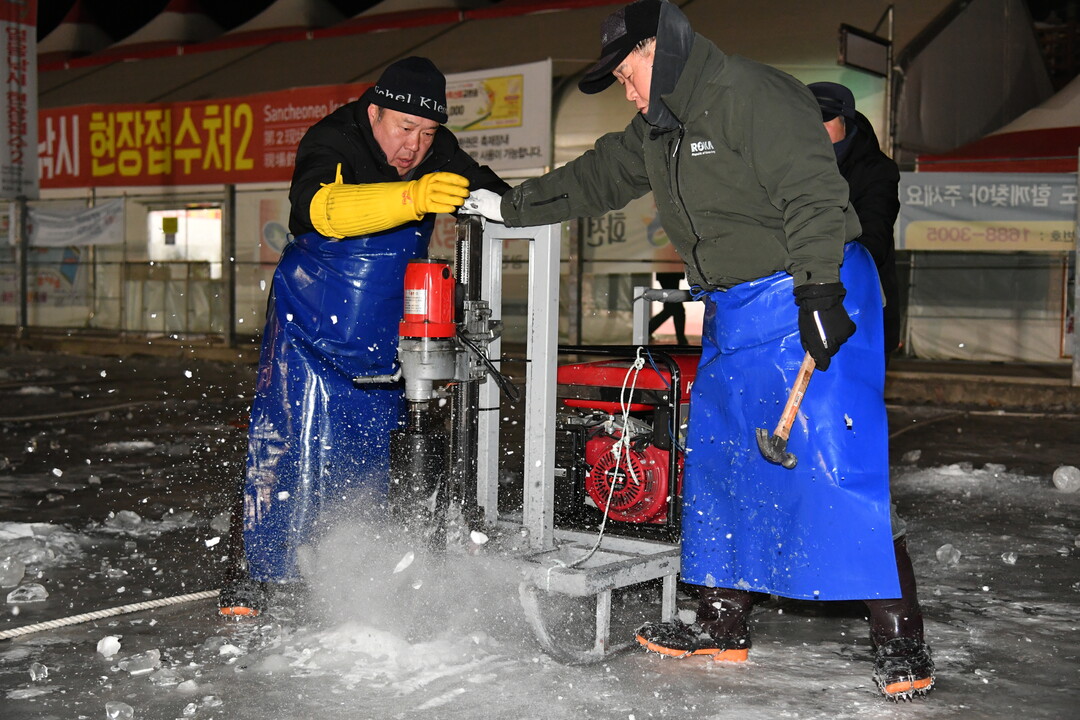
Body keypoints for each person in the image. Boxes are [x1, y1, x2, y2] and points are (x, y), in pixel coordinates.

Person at [465, 0, 933, 700]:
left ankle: (902, 640)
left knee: (834, 464)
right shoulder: (658, 127)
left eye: (627, 73)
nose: (625, 91)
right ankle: (721, 624)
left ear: (661, 49)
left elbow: (811, 191)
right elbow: (594, 177)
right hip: (737, 308)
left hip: (814, 289)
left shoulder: (752, 94)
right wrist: (508, 206)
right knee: (723, 466)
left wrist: (817, 294)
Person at [219, 56, 509, 618]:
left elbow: (500, 199)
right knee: (285, 441)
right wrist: (414, 197)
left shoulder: (438, 148)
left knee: (367, 455)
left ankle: (342, 565)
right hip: (311, 323)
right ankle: (251, 573)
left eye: (428, 134)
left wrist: (541, 203)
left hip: (381, 330)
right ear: (374, 112)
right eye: (405, 129)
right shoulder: (333, 137)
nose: (416, 147)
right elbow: (315, 210)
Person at [809, 81, 902, 360]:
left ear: (846, 121)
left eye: (826, 120)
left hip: (859, 305)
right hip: (805, 304)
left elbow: (873, 240)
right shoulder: (792, 167)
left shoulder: (876, 170)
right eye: (808, 120)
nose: (816, 128)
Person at [647, 271, 689, 345]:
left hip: (668, 271)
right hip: (669, 272)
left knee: (672, 308)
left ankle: (647, 330)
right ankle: (681, 339)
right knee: (675, 308)